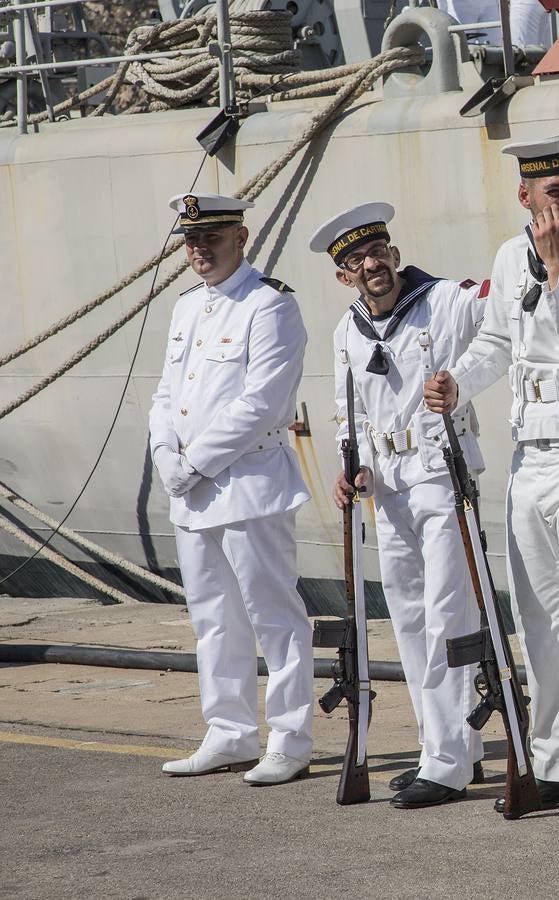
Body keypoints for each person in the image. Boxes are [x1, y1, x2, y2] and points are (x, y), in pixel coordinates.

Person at [423, 132, 559, 830]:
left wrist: (556, 276)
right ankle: (553, 762)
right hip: (531, 459)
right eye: (554, 192)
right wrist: (459, 381)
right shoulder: (508, 255)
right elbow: (496, 340)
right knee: (541, 623)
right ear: (527, 196)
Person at [313, 202, 489, 809]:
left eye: (378, 251)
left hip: (441, 473)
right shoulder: (346, 332)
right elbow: (347, 414)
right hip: (386, 488)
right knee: (411, 622)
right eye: (356, 260)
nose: (371, 265)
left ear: (394, 251)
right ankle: (449, 746)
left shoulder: (445, 300)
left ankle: (448, 760)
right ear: (344, 276)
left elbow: (503, 309)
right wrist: (348, 466)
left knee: (448, 613)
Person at [152, 193, 313, 786]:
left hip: (249, 485)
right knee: (213, 618)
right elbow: (166, 394)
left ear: (241, 238)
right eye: (191, 241)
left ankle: (290, 740)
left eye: (211, 239)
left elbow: (262, 403)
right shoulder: (187, 306)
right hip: (191, 492)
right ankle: (229, 732)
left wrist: (192, 463)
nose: (198, 250)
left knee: (275, 618)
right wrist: (166, 456)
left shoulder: (270, 306)